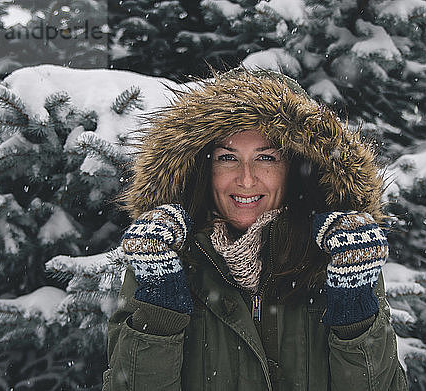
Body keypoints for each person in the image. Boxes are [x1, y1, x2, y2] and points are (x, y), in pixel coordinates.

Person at [102, 68, 408, 390]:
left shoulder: (341, 259)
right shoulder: (163, 259)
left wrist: (354, 313)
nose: (246, 180)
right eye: (227, 158)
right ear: (202, 167)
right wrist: (160, 309)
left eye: (266, 158)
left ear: (296, 167)